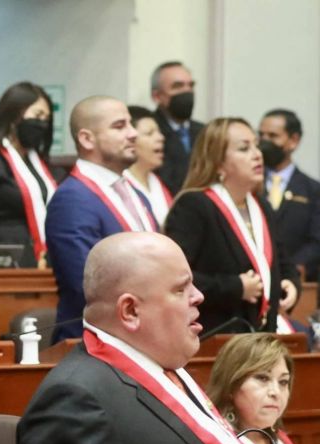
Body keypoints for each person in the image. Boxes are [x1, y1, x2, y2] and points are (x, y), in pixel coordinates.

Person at [19, 232, 277, 444]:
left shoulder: (165, 369)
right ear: (130, 310)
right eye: (180, 289)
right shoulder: (75, 398)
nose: (199, 296)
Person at [164, 117, 299, 334]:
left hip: (263, 334)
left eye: (256, 145)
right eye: (244, 148)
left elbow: (282, 261)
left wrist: (291, 283)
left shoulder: (261, 205)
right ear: (218, 163)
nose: (257, 154)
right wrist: (235, 287)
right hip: (215, 335)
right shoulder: (194, 205)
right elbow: (172, 276)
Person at [45, 96, 155, 342]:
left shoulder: (135, 193)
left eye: (130, 124)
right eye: (119, 126)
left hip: (141, 337)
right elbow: (88, 284)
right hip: (93, 344)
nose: (133, 133)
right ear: (87, 139)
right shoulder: (72, 199)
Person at [0, 82, 59, 268]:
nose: (42, 124)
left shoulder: (38, 162)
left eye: (46, 119)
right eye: (37, 116)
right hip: (6, 261)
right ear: (14, 116)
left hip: (45, 260)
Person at [207, 333, 298, 444]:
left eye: (283, 382)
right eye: (263, 378)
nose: (276, 392)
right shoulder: (219, 443)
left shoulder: (280, 439)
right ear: (231, 384)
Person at [259, 109, 320, 281]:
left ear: (293, 140)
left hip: (298, 279)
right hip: (255, 277)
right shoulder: (250, 184)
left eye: (273, 136)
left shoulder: (313, 190)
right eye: (261, 135)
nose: (264, 141)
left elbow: (317, 240)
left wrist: (291, 269)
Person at [151, 61, 205, 194]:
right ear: (157, 96)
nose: (187, 91)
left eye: (190, 85)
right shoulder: (149, 133)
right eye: (178, 86)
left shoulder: (204, 132)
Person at [125, 106, 172, 227]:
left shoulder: (158, 181)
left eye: (159, 132)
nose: (160, 138)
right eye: (149, 133)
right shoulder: (121, 184)